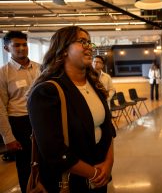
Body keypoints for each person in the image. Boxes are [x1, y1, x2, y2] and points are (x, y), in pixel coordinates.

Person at [27, 26, 115, 192]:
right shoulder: (46, 92)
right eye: (82, 41)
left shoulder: (95, 84)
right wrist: (94, 173)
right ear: (63, 49)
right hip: (69, 182)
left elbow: (107, 128)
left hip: (99, 175)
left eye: (89, 42)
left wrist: (108, 164)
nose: (89, 46)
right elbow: (54, 151)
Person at [0, 31, 40, 192]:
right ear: (6, 48)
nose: (22, 48)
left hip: (41, 120)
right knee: (25, 166)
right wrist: (8, 137)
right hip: (20, 122)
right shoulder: (3, 73)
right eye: (16, 45)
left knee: (47, 161)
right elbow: (0, 107)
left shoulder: (40, 68)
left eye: (24, 44)